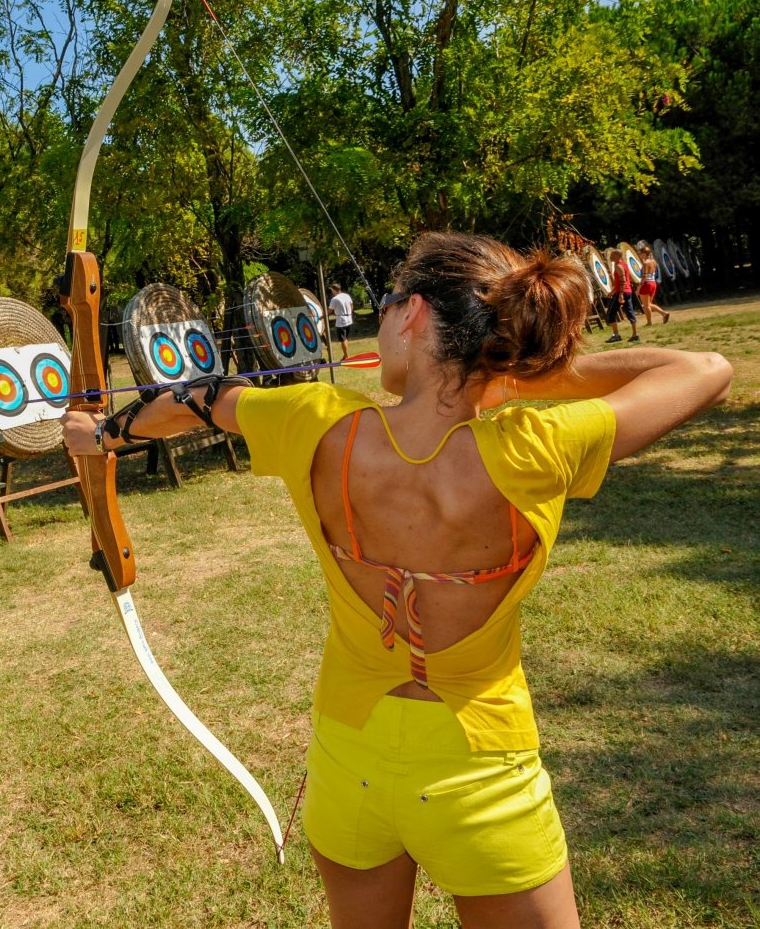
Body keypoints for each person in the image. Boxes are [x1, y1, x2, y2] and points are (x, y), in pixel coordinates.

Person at [63, 232, 730, 929]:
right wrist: (514, 376)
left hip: (349, 764)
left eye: (385, 304)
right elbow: (705, 370)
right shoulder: (536, 447)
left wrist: (101, 435)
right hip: (484, 776)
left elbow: (201, 397)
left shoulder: (313, 421)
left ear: (412, 312)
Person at [604, 250, 640, 344]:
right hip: (627, 291)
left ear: (616, 255)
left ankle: (616, 335)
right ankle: (635, 334)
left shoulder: (618, 266)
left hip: (622, 292)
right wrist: (612, 292)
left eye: (612, 255)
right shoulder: (624, 264)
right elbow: (623, 281)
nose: (610, 256)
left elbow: (623, 281)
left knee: (611, 313)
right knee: (630, 312)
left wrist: (620, 295)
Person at [634, 242, 672, 326]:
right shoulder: (653, 261)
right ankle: (664, 314)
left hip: (646, 284)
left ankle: (650, 322)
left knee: (646, 305)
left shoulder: (645, 263)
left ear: (644, 254)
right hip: (653, 283)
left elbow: (644, 277)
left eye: (640, 253)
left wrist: (638, 288)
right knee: (649, 304)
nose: (639, 255)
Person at [328, 282, 355, 358]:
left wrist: (323, 316)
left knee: (343, 339)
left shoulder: (335, 299)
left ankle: (346, 356)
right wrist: (349, 313)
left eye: (332, 290)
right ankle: (345, 355)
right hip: (349, 319)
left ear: (334, 290)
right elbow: (351, 305)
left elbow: (329, 311)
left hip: (341, 321)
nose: (332, 292)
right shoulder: (346, 295)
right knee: (345, 338)